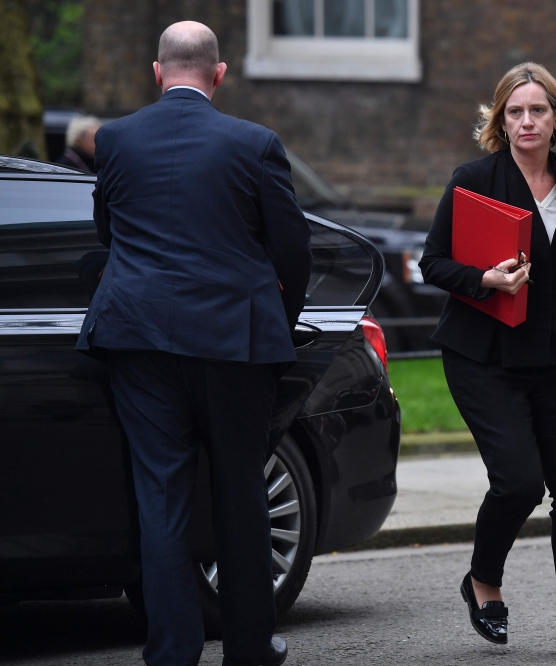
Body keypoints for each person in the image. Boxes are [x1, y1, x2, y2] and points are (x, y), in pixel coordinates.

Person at [76, 21, 312, 666]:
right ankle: (248, 649)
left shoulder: (116, 139)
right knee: (241, 496)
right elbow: (293, 249)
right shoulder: (255, 143)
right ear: (219, 73)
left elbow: (107, 230)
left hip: (138, 338)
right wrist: (276, 321)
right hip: (234, 342)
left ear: (158, 72)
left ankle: (172, 653)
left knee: (160, 501)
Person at [418, 62, 556, 660]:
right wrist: (484, 279)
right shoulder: (475, 179)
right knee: (519, 481)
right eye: (513, 112)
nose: (525, 121)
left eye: (537, 110)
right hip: (481, 355)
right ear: (500, 122)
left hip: (550, 353)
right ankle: (483, 581)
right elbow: (432, 263)